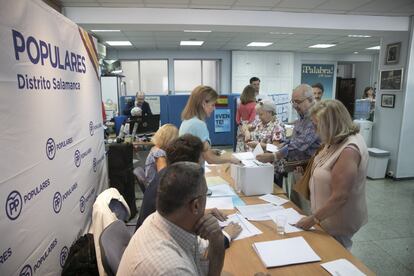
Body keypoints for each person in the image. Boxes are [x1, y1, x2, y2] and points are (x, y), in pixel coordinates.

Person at [117, 162, 226, 276]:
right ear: (196, 205)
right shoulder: (172, 270)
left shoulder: (158, 220)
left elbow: (199, 257)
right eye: (205, 194)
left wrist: (217, 239)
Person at [136, 134, 241, 247]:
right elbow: (191, 247)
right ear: (192, 165)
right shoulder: (177, 186)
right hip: (156, 246)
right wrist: (225, 236)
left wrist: (202, 214)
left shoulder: (167, 176)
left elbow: (178, 219)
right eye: (201, 161)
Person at [295, 100, 368, 250]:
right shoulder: (333, 139)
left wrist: (312, 219)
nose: (315, 131)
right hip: (324, 218)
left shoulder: (349, 150)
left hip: (338, 222)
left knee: (335, 256)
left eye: (317, 126)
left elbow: (340, 196)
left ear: (332, 125)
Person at [256, 84, 320, 187]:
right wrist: (283, 144)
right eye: (293, 102)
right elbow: (295, 139)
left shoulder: (314, 118)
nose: (294, 105)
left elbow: (300, 144)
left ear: (310, 99)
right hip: (297, 169)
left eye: (298, 102)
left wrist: (274, 155)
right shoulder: (303, 116)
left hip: (310, 171)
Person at [179, 85, 239, 165]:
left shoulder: (187, 121)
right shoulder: (199, 125)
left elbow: (193, 150)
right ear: (203, 104)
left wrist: (210, 151)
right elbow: (210, 159)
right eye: (213, 105)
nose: (214, 109)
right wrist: (230, 159)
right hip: (194, 173)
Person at [235, 85, 257, 152]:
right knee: (249, 144)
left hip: (241, 126)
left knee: (240, 143)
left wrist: (241, 125)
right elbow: (252, 119)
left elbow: (237, 119)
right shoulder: (254, 104)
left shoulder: (240, 104)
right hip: (249, 127)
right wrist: (247, 126)